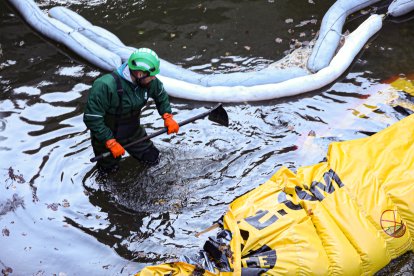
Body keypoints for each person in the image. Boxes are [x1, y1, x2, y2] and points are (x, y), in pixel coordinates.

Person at [83, 48, 179, 172]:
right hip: (106, 138)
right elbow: (92, 118)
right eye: (152, 75)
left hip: (134, 133)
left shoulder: (150, 82)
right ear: (140, 74)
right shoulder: (105, 86)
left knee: (153, 159)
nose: (154, 78)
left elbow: (161, 95)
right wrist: (110, 142)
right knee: (109, 173)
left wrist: (167, 116)